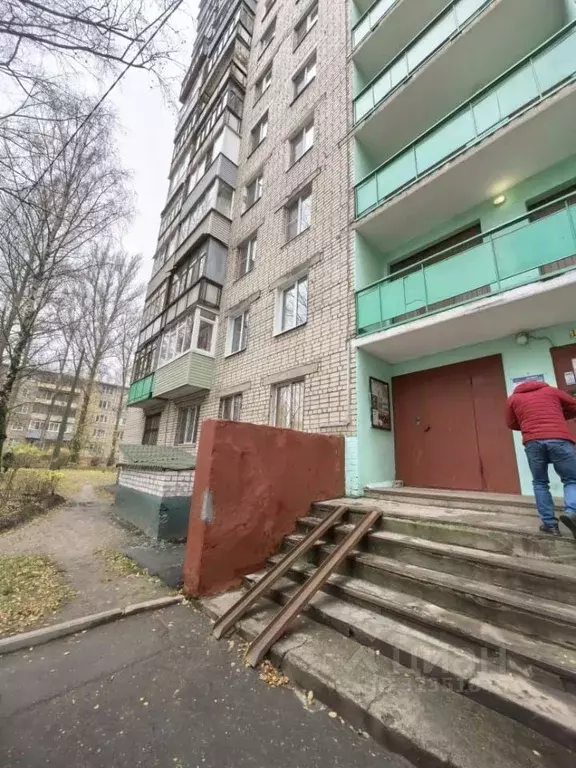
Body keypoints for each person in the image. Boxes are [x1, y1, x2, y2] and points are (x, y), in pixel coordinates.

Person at [506, 380, 576, 537]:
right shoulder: (552, 391)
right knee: (572, 479)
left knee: (540, 482)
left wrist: (526, 423)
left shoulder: (513, 399)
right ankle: (572, 512)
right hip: (559, 439)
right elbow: (573, 405)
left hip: (533, 442)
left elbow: (511, 423)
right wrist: (560, 415)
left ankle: (550, 525)